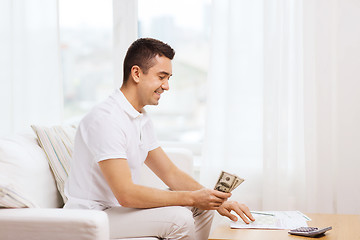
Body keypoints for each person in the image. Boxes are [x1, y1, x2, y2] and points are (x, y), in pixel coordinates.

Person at [64, 38, 254, 240]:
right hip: (93, 217)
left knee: (203, 208)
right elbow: (126, 194)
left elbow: (170, 173)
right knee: (179, 217)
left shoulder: (140, 118)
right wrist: (192, 198)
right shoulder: (107, 119)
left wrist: (215, 200)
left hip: (116, 211)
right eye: (162, 77)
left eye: (169, 78)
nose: (167, 86)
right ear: (136, 73)